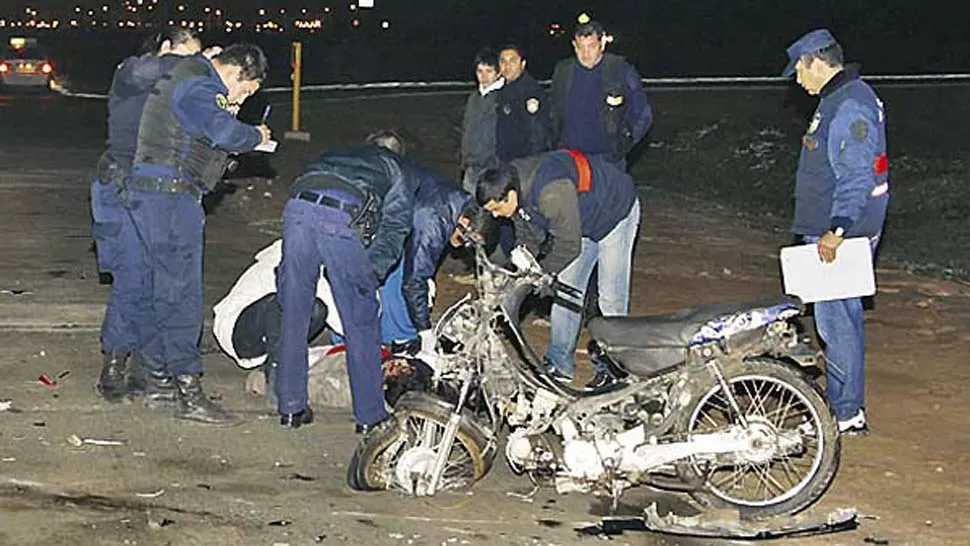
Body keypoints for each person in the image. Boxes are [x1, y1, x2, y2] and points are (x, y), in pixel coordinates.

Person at [127, 43, 271, 425]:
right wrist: (254, 134)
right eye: (246, 90)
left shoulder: (188, 77)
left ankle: (155, 381)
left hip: (154, 193)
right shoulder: (199, 84)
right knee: (182, 297)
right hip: (170, 198)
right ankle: (188, 392)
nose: (241, 98)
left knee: (160, 289)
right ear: (238, 73)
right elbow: (222, 131)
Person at [275, 130, 423, 436]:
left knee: (294, 313)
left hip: (297, 208)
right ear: (398, 153)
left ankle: (291, 406)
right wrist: (370, 276)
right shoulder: (399, 169)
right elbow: (394, 228)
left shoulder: (339, 152)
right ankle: (370, 415)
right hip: (340, 214)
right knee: (362, 322)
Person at [782, 29, 889, 436]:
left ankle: (845, 413)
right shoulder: (841, 98)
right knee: (838, 320)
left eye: (798, 70)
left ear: (815, 60)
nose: (796, 79)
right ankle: (844, 406)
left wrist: (837, 228)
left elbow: (857, 173)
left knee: (836, 324)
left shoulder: (849, 104)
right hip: (837, 229)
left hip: (841, 233)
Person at [92, 28, 204, 403]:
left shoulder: (178, 87)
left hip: (152, 193)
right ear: (167, 48)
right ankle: (115, 367)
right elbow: (145, 71)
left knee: (159, 281)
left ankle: (146, 365)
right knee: (133, 277)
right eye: (186, 55)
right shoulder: (134, 71)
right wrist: (201, 64)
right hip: (121, 189)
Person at [476, 150, 641, 389]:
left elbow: (568, 246)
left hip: (614, 213)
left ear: (510, 196)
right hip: (578, 220)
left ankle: (616, 369)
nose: (494, 215)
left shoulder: (550, 193)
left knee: (610, 299)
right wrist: (521, 268)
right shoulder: (511, 180)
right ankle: (559, 363)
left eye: (496, 209)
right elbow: (526, 230)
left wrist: (543, 274)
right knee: (566, 293)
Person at [549, 18, 653, 169]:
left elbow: (643, 114)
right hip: (570, 159)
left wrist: (623, 144)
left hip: (608, 160)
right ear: (574, 45)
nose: (586, 54)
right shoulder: (563, 71)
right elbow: (552, 112)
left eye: (591, 47)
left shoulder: (620, 70)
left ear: (602, 44)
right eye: (580, 48)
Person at [495, 44, 551, 162]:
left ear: (523, 64)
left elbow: (537, 133)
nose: (507, 66)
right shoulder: (501, 90)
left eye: (512, 61)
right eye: (503, 62)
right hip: (504, 161)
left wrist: (532, 162)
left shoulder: (531, 92)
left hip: (524, 163)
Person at [460, 48, 503, 194]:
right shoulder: (474, 98)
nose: (483, 76)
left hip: (493, 167)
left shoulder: (503, 98)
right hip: (472, 166)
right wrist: (465, 158)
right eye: (480, 71)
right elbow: (467, 128)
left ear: (498, 72)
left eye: (488, 71)